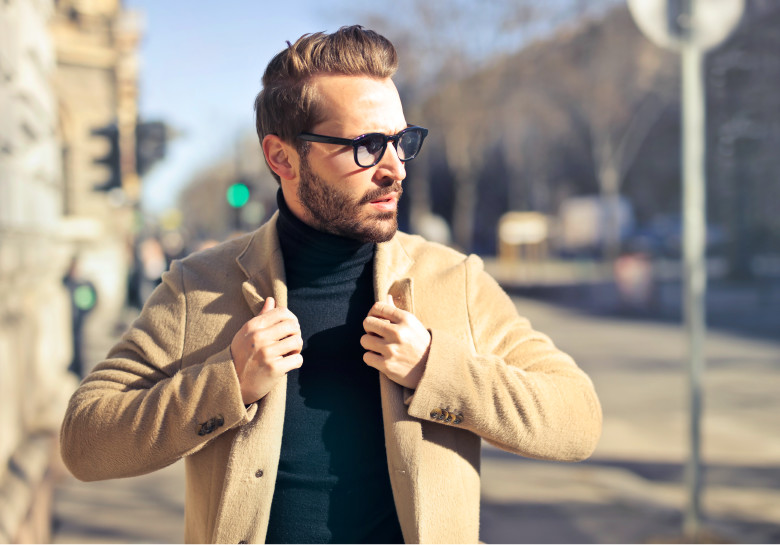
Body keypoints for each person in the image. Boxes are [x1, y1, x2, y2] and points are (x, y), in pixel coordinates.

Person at [60, 25, 601, 544]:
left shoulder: (455, 281)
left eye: (401, 141)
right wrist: (227, 383)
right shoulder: (198, 288)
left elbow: (576, 420)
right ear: (282, 157)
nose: (395, 169)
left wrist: (438, 369)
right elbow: (84, 442)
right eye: (366, 145)